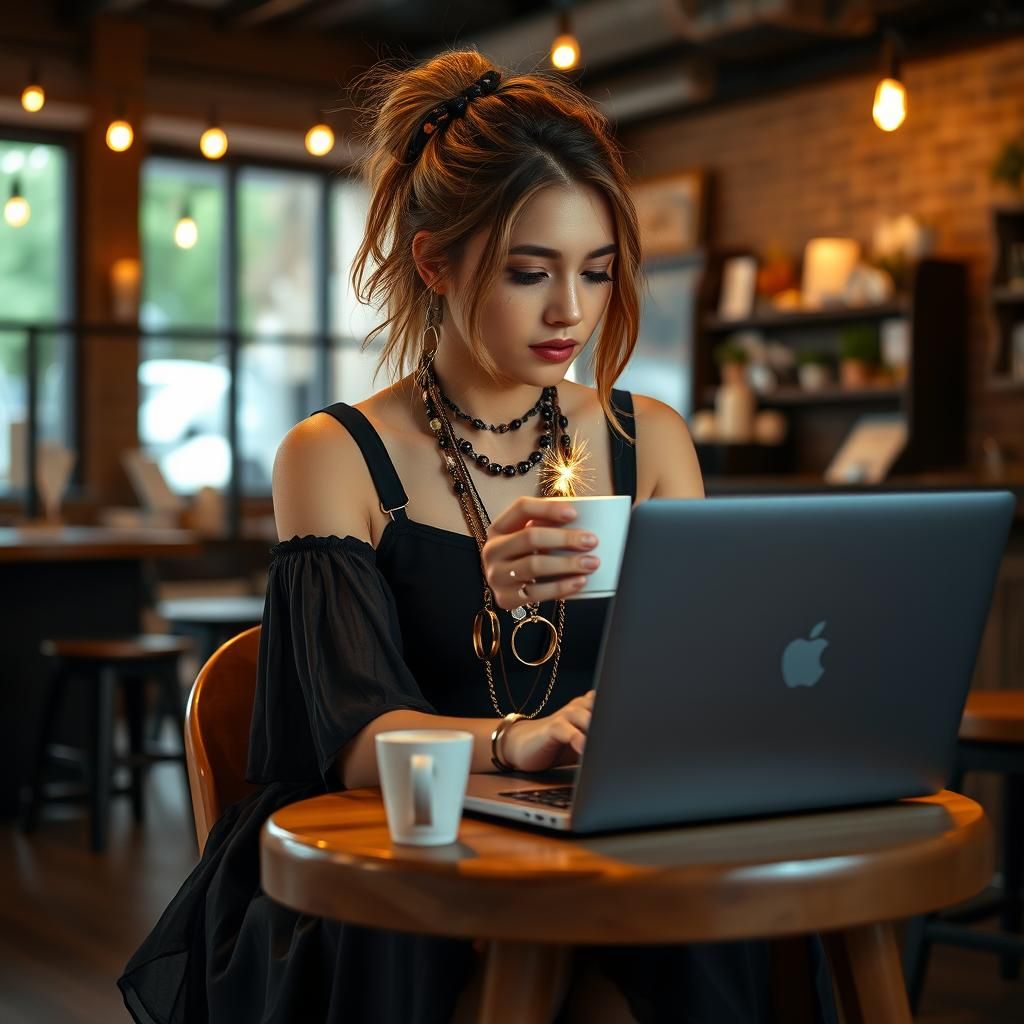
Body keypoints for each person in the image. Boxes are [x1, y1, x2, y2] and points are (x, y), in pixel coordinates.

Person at [119, 49, 837, 1024]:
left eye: (595, 271)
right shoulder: (331, 455)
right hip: (393, 868)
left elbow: (695, 683)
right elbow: (354, 742)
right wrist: (520, 738)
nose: (570, 312)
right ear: (434, 261)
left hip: (601, 848)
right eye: (529, 272)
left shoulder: (650, 440)